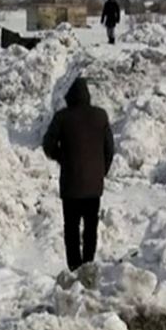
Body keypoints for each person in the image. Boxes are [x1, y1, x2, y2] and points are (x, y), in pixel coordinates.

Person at [43, 78, 115, 271]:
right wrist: (102, 170)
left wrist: (62, 157)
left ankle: (75, 267)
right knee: (91, 228)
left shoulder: (62, 117)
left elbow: (47, 144)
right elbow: (110, 149)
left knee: (72, 229)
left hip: (71, 185)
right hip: (93, 186)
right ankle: (89, 265)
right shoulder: (100, 116)